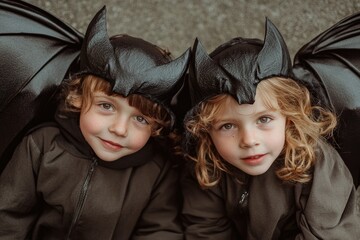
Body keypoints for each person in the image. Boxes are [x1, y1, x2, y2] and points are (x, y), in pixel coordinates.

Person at [0, 5, 190, 240]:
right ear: (78, 99)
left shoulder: (156, 172)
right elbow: (9, 214)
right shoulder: (41, 146)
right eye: (106, 106)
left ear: (156, 127)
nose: (119, 129)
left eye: (140, 119)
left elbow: (161, 231)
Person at [179, 19, 360, 239]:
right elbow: (205, 231)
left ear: (290, 115)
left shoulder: (316, 163)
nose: (249, 140)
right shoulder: (207, 167)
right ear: (206, 130)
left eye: (264, 119)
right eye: (228, 126)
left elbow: (327, 234)